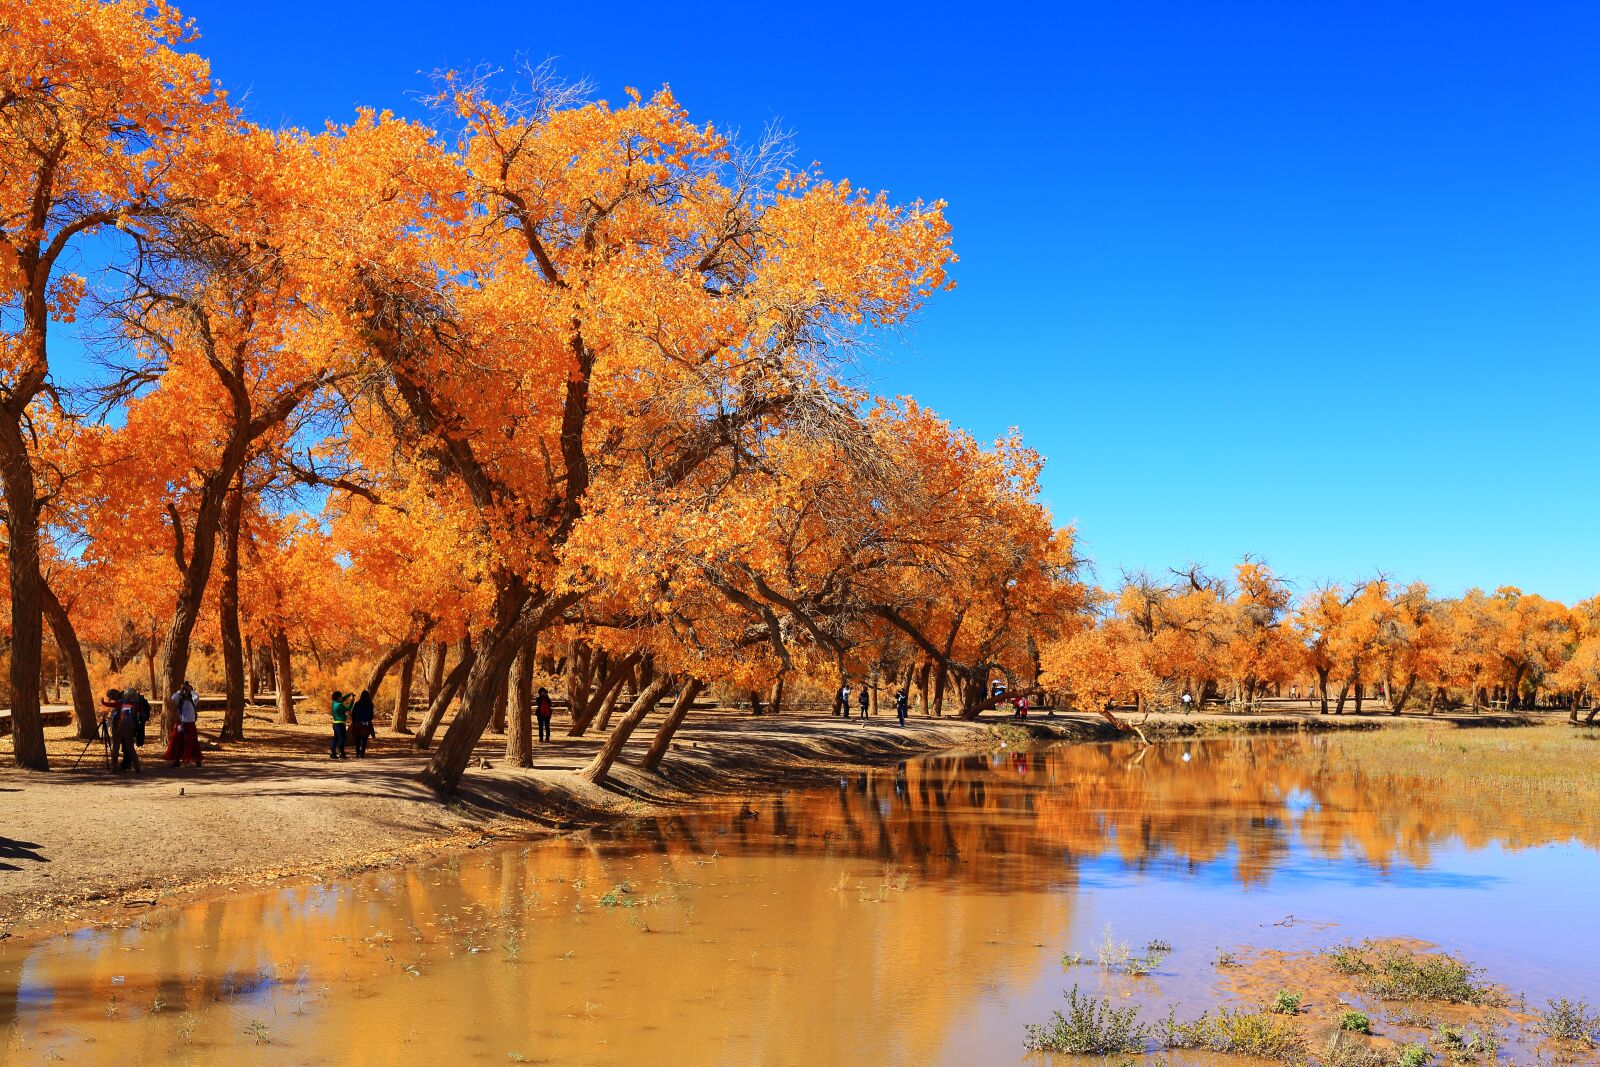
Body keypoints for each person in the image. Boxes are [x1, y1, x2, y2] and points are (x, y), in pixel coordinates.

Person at [167, 681, 202, 767]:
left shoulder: (193, 700)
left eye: (187, 691)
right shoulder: (179, 700)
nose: (185, 692)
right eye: (184, 691)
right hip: (181, 723)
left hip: (190, 724)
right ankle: (177, 760)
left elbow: (196, 697)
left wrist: (190, 690)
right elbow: (173, 697)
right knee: (177, 742)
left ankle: (197, 760)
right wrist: (180, 690)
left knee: (193, 742)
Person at [351, 690, 375, 758]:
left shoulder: (357, 704)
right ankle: (362, 753)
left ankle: (357, 752)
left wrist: (354, 722)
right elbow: (371, 715)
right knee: (364, 739)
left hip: (358, 723)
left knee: (358, 738)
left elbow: (353, 714)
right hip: (366, 723)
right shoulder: (370, 704)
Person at [329, 690, 350, 759]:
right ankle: (342, 753)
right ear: (338, 698)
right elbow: (348, 708)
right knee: (342, 739)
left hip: (335, 724)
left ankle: (333, 753)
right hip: (341, 724)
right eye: (340, 696)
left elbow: (342, 699)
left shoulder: (334, 703)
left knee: (335, 738)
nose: (342, 697)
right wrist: (352, 701)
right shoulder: (340, 705)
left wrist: (348, 695)